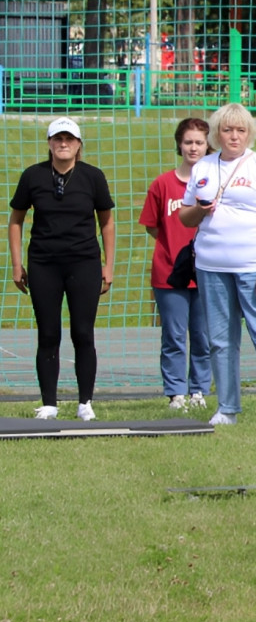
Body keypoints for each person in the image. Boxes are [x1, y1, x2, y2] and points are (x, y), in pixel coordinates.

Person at [178, 103, 256, 426]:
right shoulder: (202, 167)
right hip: (211, 267)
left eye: (241, 130)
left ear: (249, 134)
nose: (234, 136)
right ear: (217, 133)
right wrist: (202, 210)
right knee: (220, 339)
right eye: (228, 130)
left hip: (253, 267)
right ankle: (227, 408)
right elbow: (185, 216)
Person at [7, 117, 115, 420]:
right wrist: (18, 264)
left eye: (69, 139)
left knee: (83, 332)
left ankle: (85, 403)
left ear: (79, 144)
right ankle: (50, 403)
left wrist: (109, 265)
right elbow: (16, 221)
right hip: (43, 264)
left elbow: (106, 221)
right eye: (57, 139)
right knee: (48, 333)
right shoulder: (33, 176)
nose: (63, 144)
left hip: (84, 263)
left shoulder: (93, 177)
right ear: (49, 143)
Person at [140, 116, 213, 410]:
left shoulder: (214, 183)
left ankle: (199, 391)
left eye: (199, 142)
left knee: (203, 336)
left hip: (208, 270)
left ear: (208, 146)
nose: (193, 148)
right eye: (187, 142)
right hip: (169, 272)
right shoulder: (162, 184)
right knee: (173, 335)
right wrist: (174, 245)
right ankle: (176, 392)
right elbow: (152, 226)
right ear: (179, 145)